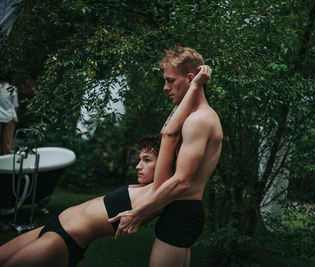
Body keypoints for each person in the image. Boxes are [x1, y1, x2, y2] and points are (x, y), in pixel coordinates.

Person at [0, 65, 211, 267]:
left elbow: (169, 134)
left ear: (166, 163)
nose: (139, 166)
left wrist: (194, 87)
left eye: (147, 160)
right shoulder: (145, 188)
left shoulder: (159, 190)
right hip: (52, 227)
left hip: (63, 240)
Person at [109, 46, 223, 267]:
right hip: (180, 213)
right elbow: (168, 131)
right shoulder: (191, 117)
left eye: (171, 81)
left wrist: (139, 213)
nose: (165, 87)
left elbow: (182, 181)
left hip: (182, 214)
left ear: (190, 78)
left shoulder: (199, 121)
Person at [0, 76, 18, 155]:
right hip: (10, 116)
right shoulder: (13, 88)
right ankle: (7, 158)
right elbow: (15, 105)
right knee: (8, 141)